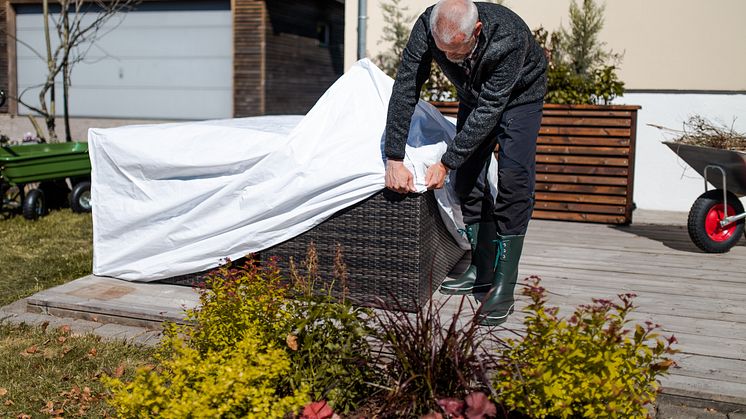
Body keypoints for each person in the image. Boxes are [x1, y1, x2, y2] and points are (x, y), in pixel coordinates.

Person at [383, 0, 547, 325]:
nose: (449, 58)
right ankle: (481, 269)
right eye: (442, 51)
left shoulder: (508, 36)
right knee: (467, 179)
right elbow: (405, 88)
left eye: (456, 51)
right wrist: (394, 156)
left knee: (514, 182)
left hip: (520, 96)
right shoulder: (427, 27)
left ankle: (503, 285)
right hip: (475, 95)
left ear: (477, 30)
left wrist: (446, 162)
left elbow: (490, 109)